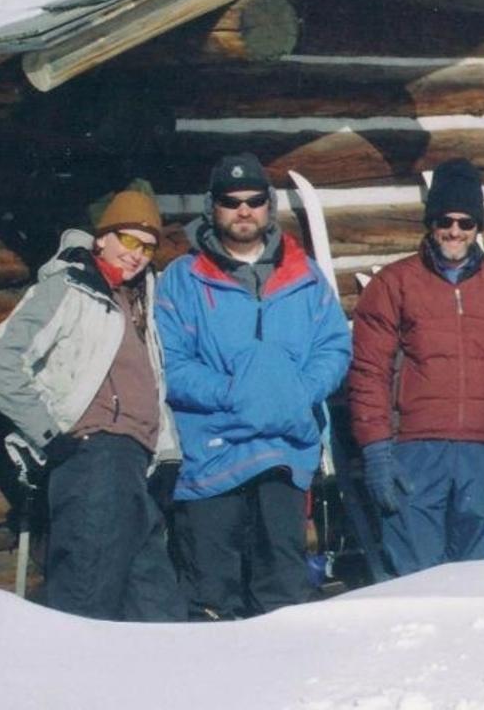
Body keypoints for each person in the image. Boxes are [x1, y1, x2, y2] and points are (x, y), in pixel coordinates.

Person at [155, 153, 351, 619]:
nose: (244, 210)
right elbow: (170, 363)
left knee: (282, 593)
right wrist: (230, 393)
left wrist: (297, 392)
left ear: (269, 206)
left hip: (284, 451)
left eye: (254, 200)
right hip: (212, 454)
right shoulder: (182, 280)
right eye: (230, 201)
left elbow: (334, 347)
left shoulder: (305, 276)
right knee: (211, 596)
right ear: (212, 207)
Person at [0, 189, 182, 621]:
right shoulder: (68, 288)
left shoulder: (139, 299)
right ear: (102, 237)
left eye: (147, 247)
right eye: (128, 241)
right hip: (94, 459)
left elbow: (150, 383)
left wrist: (167, 453)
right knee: (87, 599)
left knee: (156, 610)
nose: (137, 255)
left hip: (137, 469)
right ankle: (67, 686)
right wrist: (50, 437)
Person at [348, 158, 484, 576]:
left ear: (478, 228)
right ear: (430, 222)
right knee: (415, 581)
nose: (455, 231)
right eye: (445, 220)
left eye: (465, 222)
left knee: (475, 579)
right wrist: (377, 451)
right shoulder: (395, 284)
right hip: (415, 452)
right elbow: (369, 373)